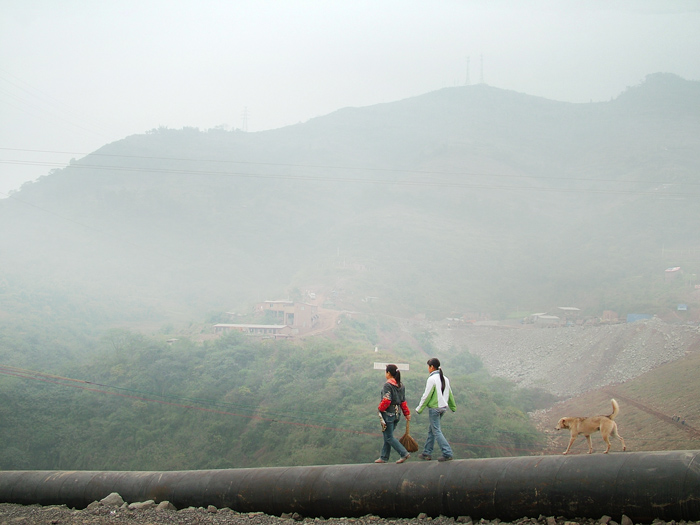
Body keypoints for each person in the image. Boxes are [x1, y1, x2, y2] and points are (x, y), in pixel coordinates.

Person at [415, 357, 456, 462]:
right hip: (443, 407)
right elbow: (450, 394)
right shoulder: (445, 379)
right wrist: (453, 407)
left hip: (435, 408)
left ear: (432, 367)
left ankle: (447, 453)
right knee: (432, 430)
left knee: (436, 430)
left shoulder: (431, 379)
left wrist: (419, 409)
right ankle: (427, 453)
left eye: (428, 366)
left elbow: (426, 396)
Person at [375, 364, 411, 464]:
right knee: (388, 436)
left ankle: (403, 453)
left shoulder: (388, 385)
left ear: (389, 373)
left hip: (388, 414)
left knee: (389, 437)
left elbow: (386, 400)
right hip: (397, 414)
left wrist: (380, 408)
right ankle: (384, 457)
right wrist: (406, 413)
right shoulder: (401, 385)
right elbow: (403, 402)